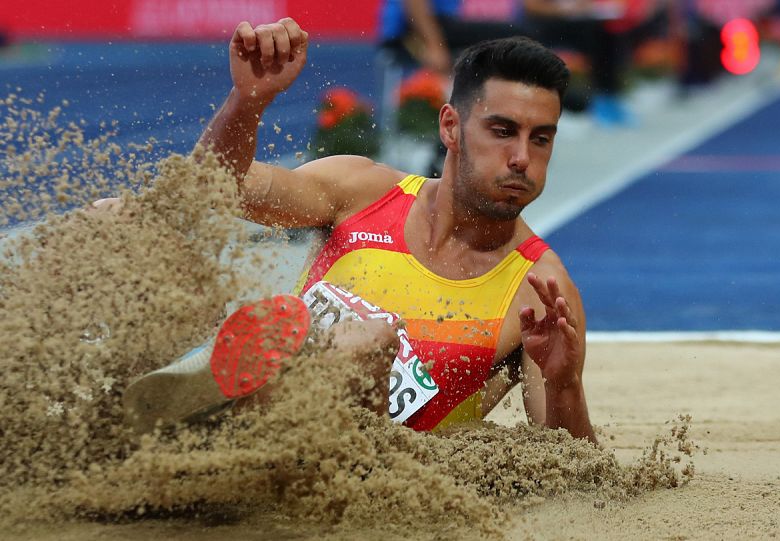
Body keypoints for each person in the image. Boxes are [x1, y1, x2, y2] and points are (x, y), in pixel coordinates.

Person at [123, 17, 596, 443]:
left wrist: (565, 384)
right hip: (256, 413)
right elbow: (211, 189)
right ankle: (163, 405)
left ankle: (216, 393)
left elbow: (576, 471)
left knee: (367, 341)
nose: (521, 158)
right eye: (502, 131)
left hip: (353, 474)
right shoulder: (363, 190)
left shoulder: (540, 292)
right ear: (450, 127)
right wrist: (247, 102)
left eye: (540, 139)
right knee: (117, 219)